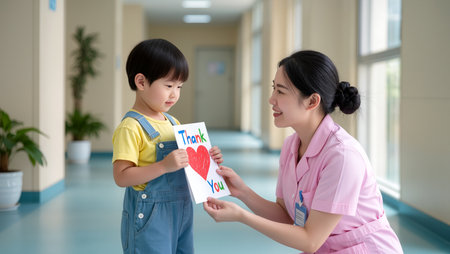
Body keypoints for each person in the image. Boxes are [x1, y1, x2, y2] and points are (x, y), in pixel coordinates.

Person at [203, 50, 403, 253]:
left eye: (280, 91)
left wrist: (242, 216)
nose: (271, 99)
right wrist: (242, 192)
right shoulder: (291, 145)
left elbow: (310, 240)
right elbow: (286, 215)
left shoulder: (342, 156)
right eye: (274, 89)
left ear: (312, 101)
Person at [112, 38, 223, 254]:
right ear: (141, 82)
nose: (175, 94)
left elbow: (189, 167)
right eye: (169, 85)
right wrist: (163, 166)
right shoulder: (131, 127)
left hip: (182, 210)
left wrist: (209, 160)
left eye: (179, 86)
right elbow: (121, 177)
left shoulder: (174, 124)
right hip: (150, 215)